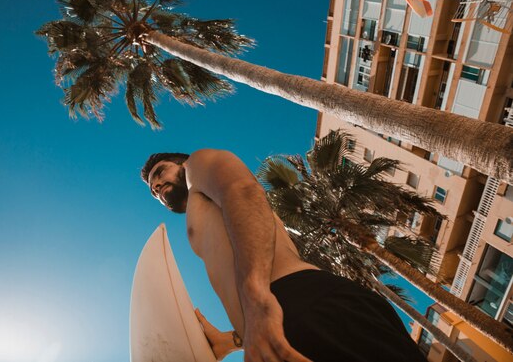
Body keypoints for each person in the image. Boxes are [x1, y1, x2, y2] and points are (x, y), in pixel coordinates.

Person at [141, 149, 428, 362]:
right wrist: (233, 339)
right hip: (279, 321)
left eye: (159, 173)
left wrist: (257, 300)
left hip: (304, 302)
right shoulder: (199, 213)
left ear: (180, 162)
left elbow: (241, 191)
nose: (155, 187)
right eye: (152, 191)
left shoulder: (197, 165)